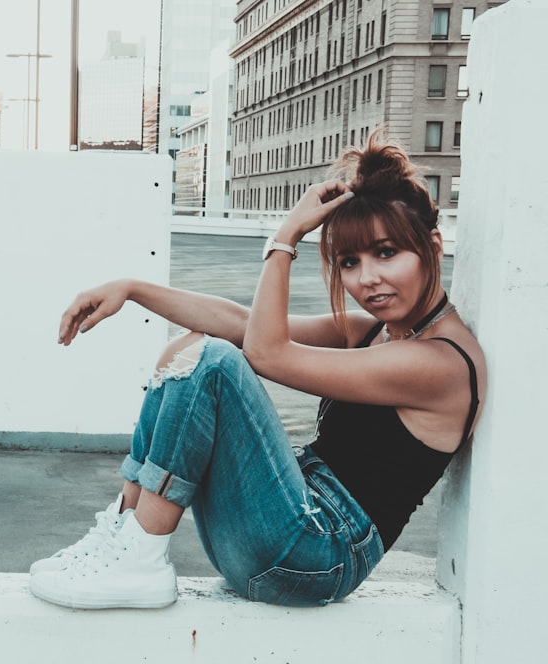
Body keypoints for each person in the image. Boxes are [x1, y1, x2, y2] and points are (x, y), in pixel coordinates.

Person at [28, 127, 486, 609]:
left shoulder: (441, 364)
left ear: (434, 245)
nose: (367, 278)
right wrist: (132, 288)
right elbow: (243, 325)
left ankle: (138, 557)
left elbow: (265, 354)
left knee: (213, 363)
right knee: (186, 350)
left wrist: (285, 238)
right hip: (277, 534)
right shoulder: (375, 332)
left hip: (317, 555)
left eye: (387, 253)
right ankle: (124, 535)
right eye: (350, 261)